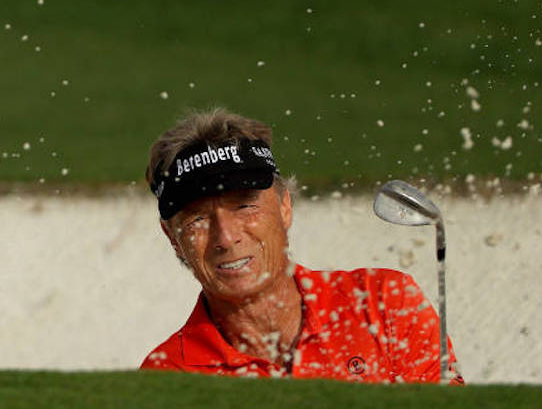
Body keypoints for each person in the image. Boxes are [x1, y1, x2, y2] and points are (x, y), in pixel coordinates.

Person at [140, 108, 463, 384]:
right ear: (173, 238)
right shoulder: (167, 377)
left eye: (244, 206)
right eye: (198, 219)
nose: (226, 237)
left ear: (284, 207)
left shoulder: (384, 303)